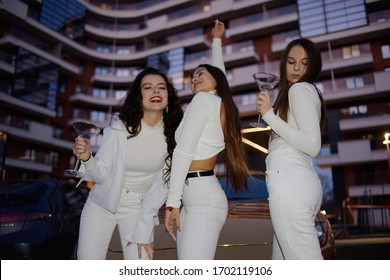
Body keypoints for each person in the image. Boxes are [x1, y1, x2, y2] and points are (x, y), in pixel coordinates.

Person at [71, 67, 183, 260]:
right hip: (101, 206)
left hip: (138, 208)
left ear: (168, 96)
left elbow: (164, 184)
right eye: (148, 87)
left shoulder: (175, 135)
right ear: (139, 97)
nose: (156, 91)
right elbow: (101, 174)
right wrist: (87, 157)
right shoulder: (119, 128)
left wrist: (146, 223)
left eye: (161, 87)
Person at [164, 20, 250, 260]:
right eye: (192, 77)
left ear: (215, 81)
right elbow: (218, 72)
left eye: (200, 74)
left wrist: (172, 204)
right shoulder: (216, 104)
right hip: (195, 196)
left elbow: (183, 152)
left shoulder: (205, 102)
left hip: (201, 197)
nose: (194, 79)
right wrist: (216, 42)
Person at [256, 38, 327, 259]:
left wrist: (269, 116)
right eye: (291, 62)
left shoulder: (299, 90)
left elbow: (312, 144)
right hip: (298, 183)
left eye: (304, 63)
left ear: (312, 66)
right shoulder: (297, 93)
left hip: (290, 184)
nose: (297, 68)